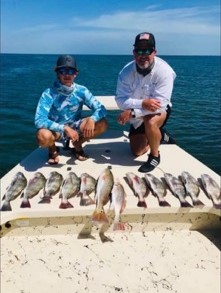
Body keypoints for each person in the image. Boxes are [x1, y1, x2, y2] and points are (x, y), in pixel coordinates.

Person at [115, 32, 176, 173]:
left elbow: (160, 105)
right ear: (133, 53)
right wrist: (142, 104)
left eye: (147, 50)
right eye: (139, 50)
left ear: (154, 52)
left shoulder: (165, 71)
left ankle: (155, 156)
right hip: (138, 114)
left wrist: (132, 111)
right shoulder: (125, 72)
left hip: (159, 111)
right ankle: (161, 136)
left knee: (151, 122)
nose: (143, 55)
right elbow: (120, 100)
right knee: (136, 151)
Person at [35, 54, 108, 164]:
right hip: (57, 131)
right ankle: (52, 149)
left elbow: (101, 109)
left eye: (71, 71)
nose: (67, 75)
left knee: (103, 123)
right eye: (63, 71)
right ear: (57, 72)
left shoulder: (82, 90)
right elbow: (39, 120)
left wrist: (92, 119)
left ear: (76, 74)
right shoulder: (48, 94)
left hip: (76, 127)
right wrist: (64, 128)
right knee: (42, 135)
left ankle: (78, 144)